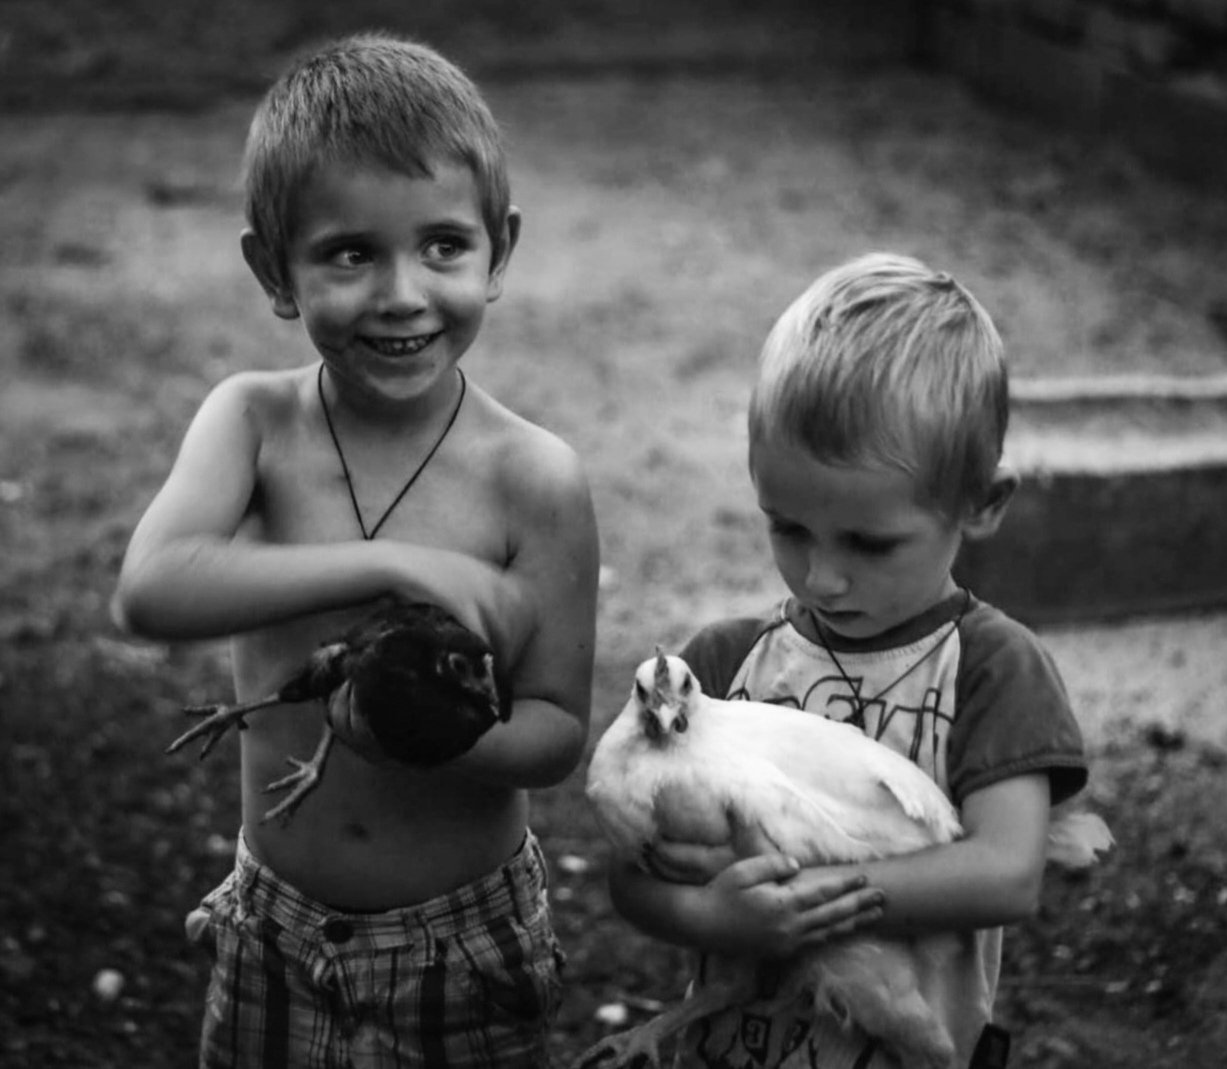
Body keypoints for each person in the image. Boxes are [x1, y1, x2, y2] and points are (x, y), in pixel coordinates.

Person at [111, 32, 599, 1068]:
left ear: (500, 250)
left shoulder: (534, 477)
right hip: (275, 932)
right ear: (273, 270)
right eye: (349, 253)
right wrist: (389, 565)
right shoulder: (253, 424)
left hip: (465, 943)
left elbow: (556, 734)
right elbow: (149, 590)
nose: (402, 293)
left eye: (443, 245)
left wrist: (422, 734)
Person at [607, 252, 1090, 1068]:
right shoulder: (717, 669)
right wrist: (709, 916)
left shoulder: (991, 667)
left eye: (869, 542)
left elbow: (1005, 872)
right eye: (788, 528)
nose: (821, 576)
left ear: (982, 503)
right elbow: (630, 873)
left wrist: (801, 897)